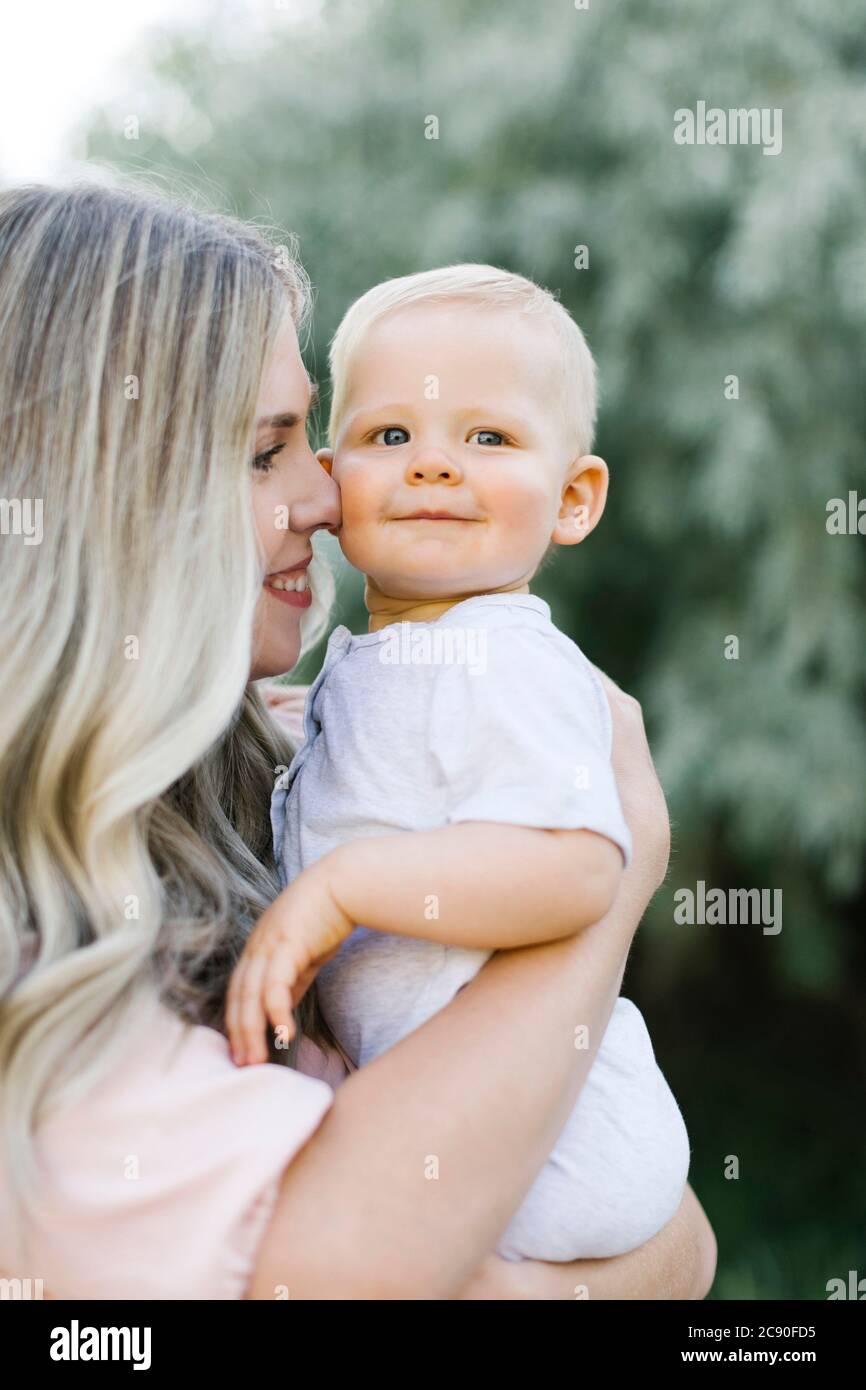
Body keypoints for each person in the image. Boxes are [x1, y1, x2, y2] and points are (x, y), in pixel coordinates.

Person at [0, 180, 715, 1299]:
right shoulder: (42, 945)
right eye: (265, 451)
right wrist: (613, 876)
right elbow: (355, 1274)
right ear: (108, 495)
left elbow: (677, 1240)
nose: (327, 498)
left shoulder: (284, 757)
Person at [229, 265, 691, 1264]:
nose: (433, 464)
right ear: (331, 472)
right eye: (390, 435)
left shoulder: (504, 658)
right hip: (468, 1126)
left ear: (571, 498)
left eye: (486, 437)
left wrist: (344, 888)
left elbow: (575, 867)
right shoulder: (387, 664)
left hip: (561, 1151)